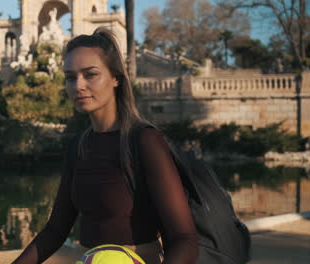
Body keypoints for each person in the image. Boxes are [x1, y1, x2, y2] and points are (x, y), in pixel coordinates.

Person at [12, 27, 198, 264]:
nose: (78, 85)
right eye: (70, 77)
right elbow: (56, 231)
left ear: (116, 78)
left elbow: (184, 239)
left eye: (90, 74)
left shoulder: (145, 141)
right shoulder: (78, 146)